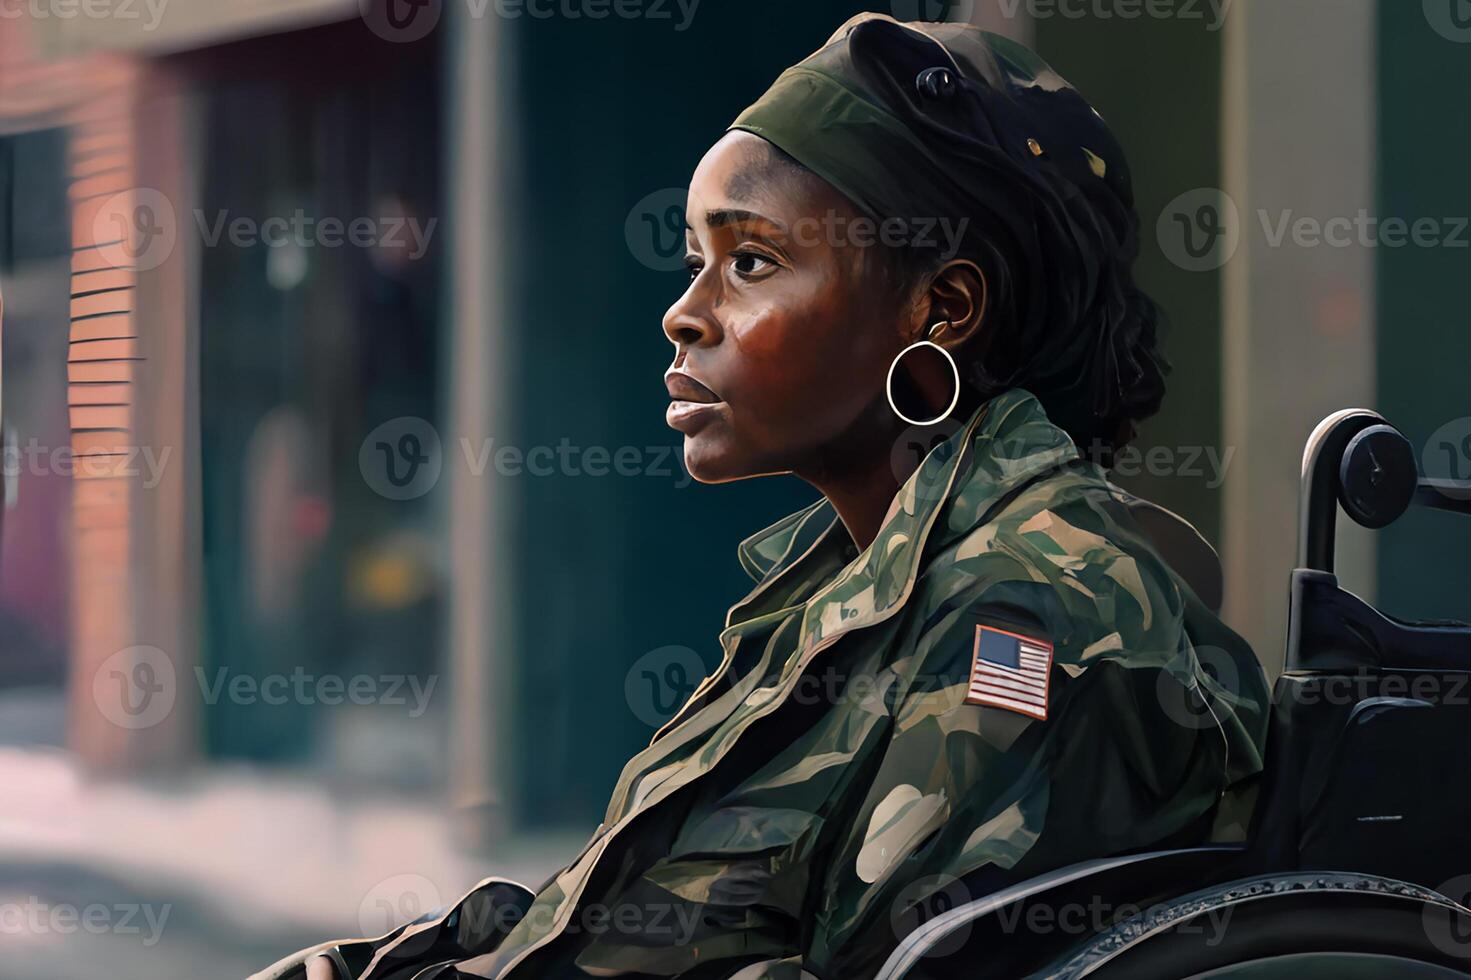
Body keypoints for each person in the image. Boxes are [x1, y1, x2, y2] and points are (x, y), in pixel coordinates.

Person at [261, 13, 1269, 980]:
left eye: (750, 262)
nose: (683, 314)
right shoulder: (854, 592)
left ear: (943, 307)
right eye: (694, 261)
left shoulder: (1026, 614)